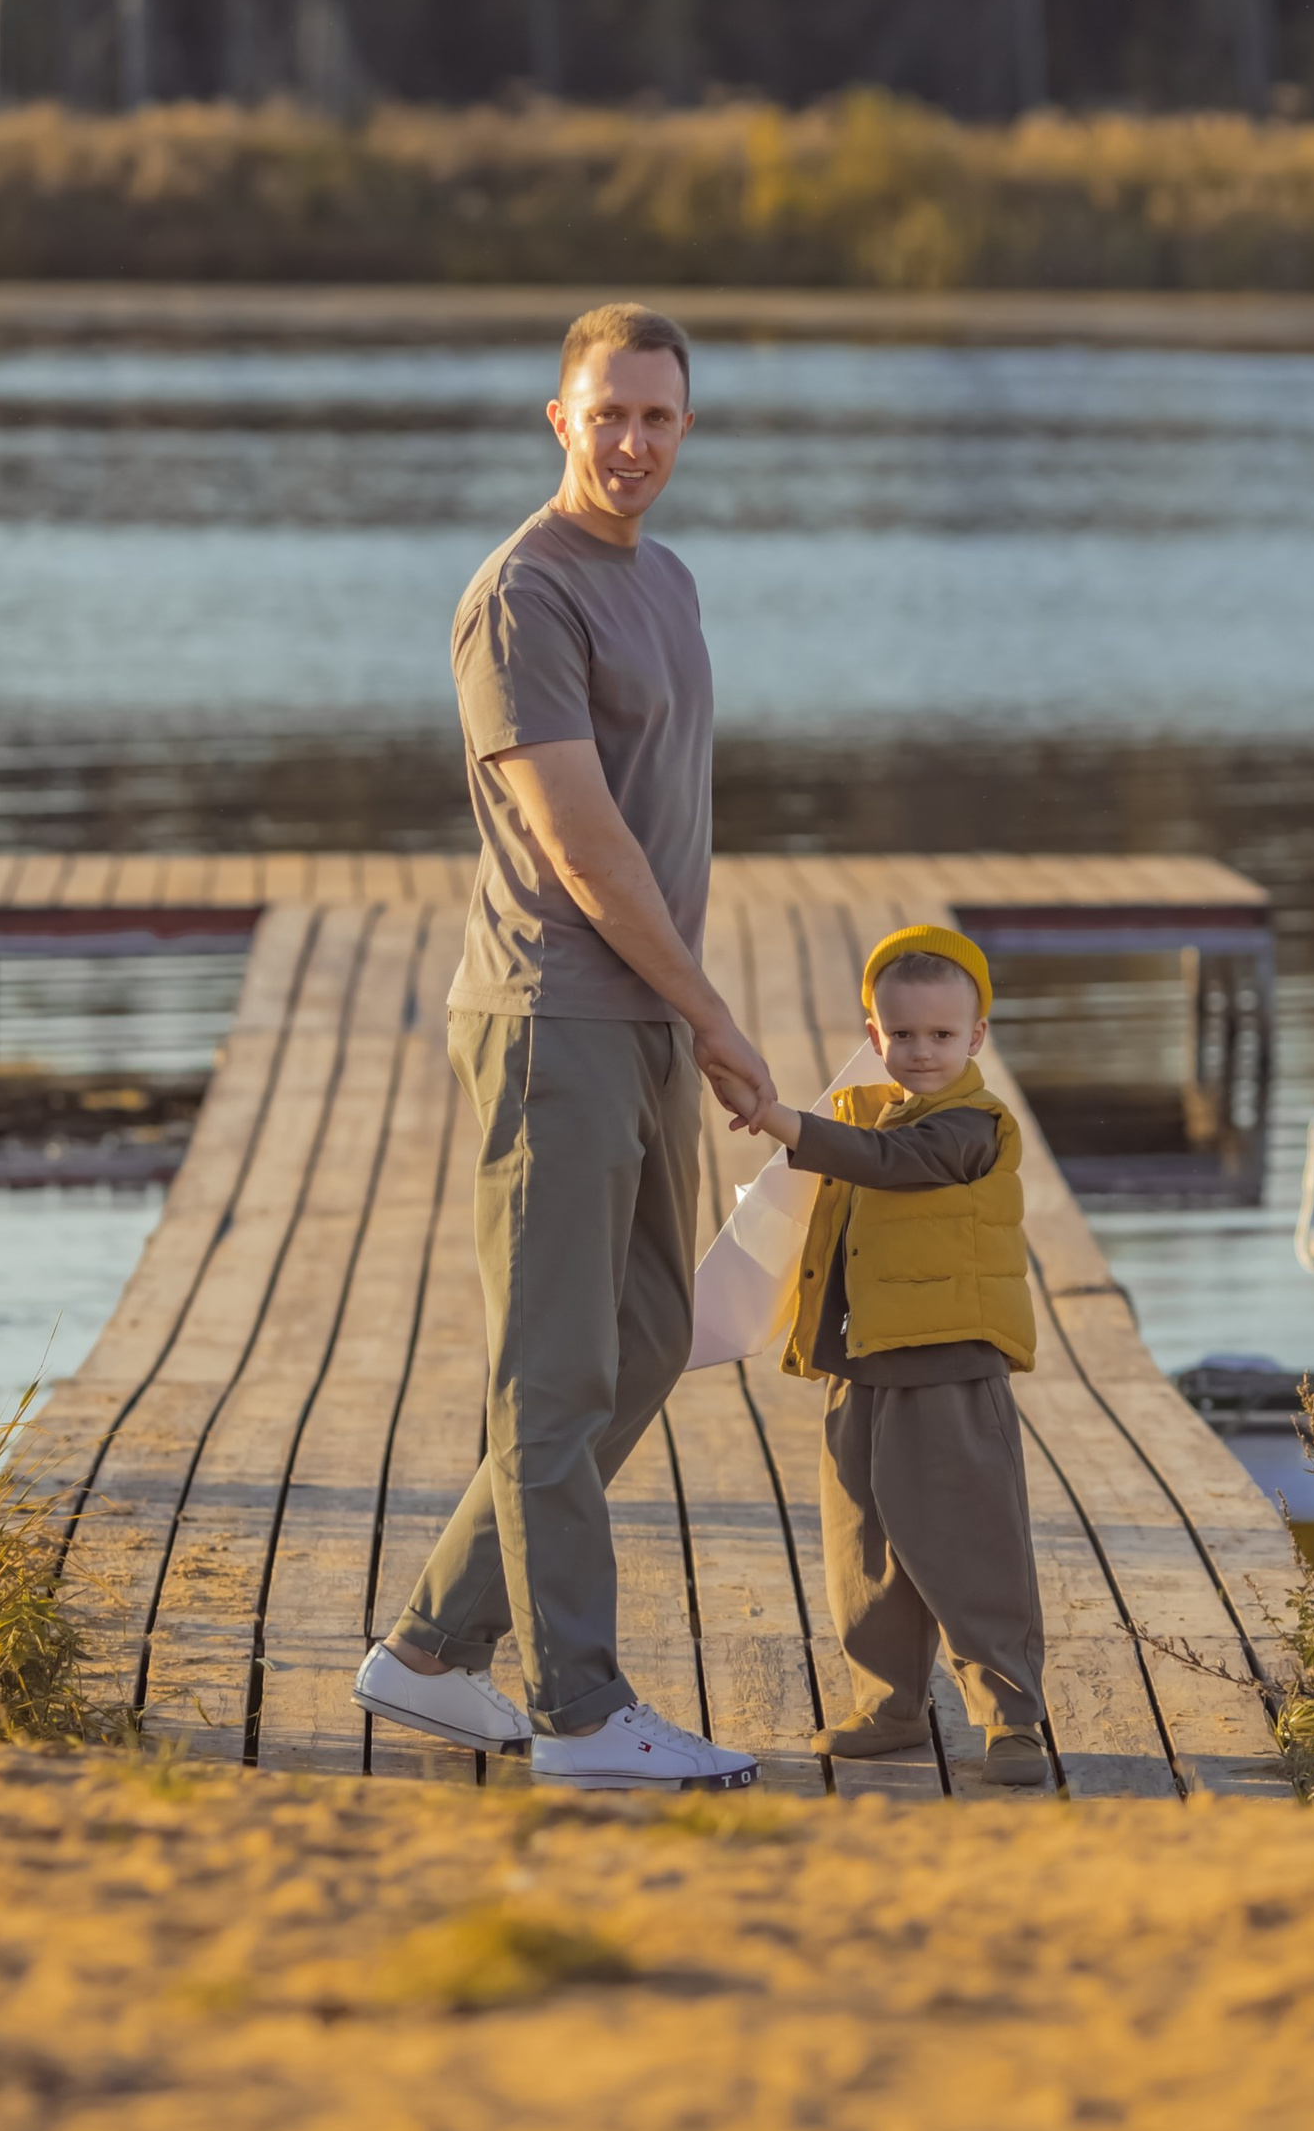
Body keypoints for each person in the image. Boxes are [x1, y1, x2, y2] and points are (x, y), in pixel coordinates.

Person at [355, 301, 774, 1790]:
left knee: (654, 1338)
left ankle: (424, 1651)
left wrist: (690, 1014)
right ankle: (581, 1713)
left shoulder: (665, 578)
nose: (636, 443)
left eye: (660, 417)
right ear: (559, 418)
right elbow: (587, 847)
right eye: (610, 414)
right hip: (552, 1022)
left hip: (645, 1020)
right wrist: (718, 1017)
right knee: (552, 1378)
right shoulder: (520, 597)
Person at [735, 925, 1052, 1788]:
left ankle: (1011, 1717)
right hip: (861, 1364)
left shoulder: (973, 1126)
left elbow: (894, 1163)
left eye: (942, 1035)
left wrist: (779, 1120)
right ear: (873, 1035)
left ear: (976, 1037)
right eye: (901, 1034)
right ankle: (890, 1703)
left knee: (970, 1542)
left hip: (949, 1369)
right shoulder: (860, 1113)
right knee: (863, 1547)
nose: (920, 1051)